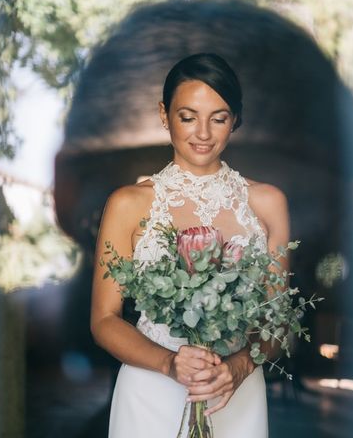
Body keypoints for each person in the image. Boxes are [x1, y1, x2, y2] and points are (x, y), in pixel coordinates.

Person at [90, 53, 291, 437]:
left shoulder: (268, 203)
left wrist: (238, 366)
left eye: (218, 118)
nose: (203, 133)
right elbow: (103, 320)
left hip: (233, 392)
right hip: (151, 392)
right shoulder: (128, 203)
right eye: (188, 116)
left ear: (235, 121)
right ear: (164, 115)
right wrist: (168, 364)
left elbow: (278, 323)